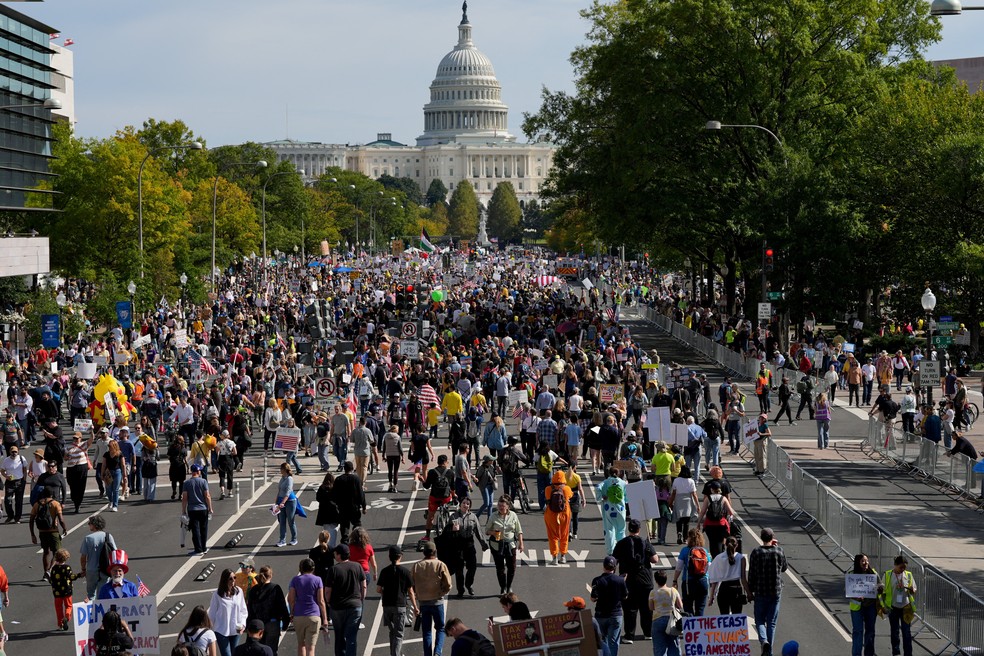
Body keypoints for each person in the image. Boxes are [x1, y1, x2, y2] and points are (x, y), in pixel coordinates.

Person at [612, 519, 659, 643]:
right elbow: (655, 560)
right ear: (639, 529)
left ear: (629, 529)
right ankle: (648, 633)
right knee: (646, 608)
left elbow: (614, 561)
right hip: (645, 579)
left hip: (628, 580)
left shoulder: (621, 543)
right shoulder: (645, 543)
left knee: (629, 609)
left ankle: (629, 635)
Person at [748, 528, 788, 656]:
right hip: (775, 590)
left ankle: (764, 641)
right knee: (771, 622)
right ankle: (768, 651)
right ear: (772, 537)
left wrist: (750, 590)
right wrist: (776, 547)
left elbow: (752, 573)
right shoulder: (779, 551)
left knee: (759, 620)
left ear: (761, 537)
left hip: (761, 590)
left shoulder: (756, 552)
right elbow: (784, 568)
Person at [411, 541, 453, 656]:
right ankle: (437, 652)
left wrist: (417, 593)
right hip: (437, 601)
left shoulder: (416, 566)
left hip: (423, 603)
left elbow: (411, 584)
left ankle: (428, 654)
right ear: (435, 552)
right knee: (440, 628)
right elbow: (448, 584)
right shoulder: (440, 564)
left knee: (427, 631)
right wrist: (442, 592)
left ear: (424, 552)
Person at [376, 545, 418, 656]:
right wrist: (415, 607)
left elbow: (378, 589)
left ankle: (394, 653)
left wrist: (385, 593)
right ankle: (396, 654)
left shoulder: (384, 571)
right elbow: (410, 591)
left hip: (387, 606)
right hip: (400, 605)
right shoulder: (405, 572)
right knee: (399, 634)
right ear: (400, 556)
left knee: (392, 632)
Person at [325, 546, 365, 656]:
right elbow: (363, 586)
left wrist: (328, 602)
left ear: (339, 555)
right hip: (355, 606)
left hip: (337, 607)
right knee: (351, 637)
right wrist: (361, 599)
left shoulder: (334, 569)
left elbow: (328, 590)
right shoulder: (357, 566)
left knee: (339, 635)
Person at [446, 497, 488, 597]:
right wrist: (452, 529)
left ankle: (469, 584)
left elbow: (478, 531)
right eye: (464, 503)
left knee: (472, 567)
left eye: (468, 504)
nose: (466, 505)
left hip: (469, 545)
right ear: (460, 504)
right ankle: (460, 590)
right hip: (458, 545)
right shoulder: (454, 516)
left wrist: (484, 545)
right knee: (459, 570)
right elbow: (446, 532)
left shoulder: (473, 517)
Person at [246, 566, 291, 656]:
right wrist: (286, 622)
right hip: (272, 623)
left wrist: (248, 625)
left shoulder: (253, 590)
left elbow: (250, 609)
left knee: (257, 650)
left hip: (257, 624)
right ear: (270, 575)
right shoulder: (275, 588)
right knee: (271, 650)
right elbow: (282, 606)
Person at [485, 495, 524, 594]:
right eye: (499, 505)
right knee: (500, 568)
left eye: (503, 506)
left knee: (512, 567)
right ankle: (503, 587)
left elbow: (518, 530)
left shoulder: (513, 515)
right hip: (496, 544)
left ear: (507, 506)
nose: (501, 507)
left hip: (510, 544)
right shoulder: (493, 516)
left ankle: (509, 586)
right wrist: (493, 532)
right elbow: (487, 530)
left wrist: (521, 543)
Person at [591, 555, 628, 656]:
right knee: (614, 641)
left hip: (600, 615)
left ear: (603, 566)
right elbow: (625, 596)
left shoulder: (597, 580)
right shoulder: (620, 580)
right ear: (615, 567)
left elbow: (593, 598)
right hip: (616, 615)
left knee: (602, 641)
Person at [881, 555, 916, 656]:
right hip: (893, 608)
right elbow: (882, 590)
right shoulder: (888, 575)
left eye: (905, 567)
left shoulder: (908, 575)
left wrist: (912, 590)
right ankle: (896, 652)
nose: (903, 569)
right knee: (895, 632)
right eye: (901, 567)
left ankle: (908, 653)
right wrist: (882, 606)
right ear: (895, 565)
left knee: (906, 632)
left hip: (906, 607)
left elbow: (914, 588)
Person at [30, 486, 67, 579]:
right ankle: (50, 570)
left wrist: (32, 534)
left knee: (46, 552)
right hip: (53, 531)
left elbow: (31, 520)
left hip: (42, 532)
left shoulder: (37, 504)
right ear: (52, 494)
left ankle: (45, 574)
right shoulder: (55, 504)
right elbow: (61, 519)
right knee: (57, 552)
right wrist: (65, 529)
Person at [209, 569, 249, 656]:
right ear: (225, 580)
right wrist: (209, 630)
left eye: (234, 577)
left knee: (234, 654)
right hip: (221, 631)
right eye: (230, 578)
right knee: (227, 654)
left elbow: (243, 610)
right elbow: (212, 613)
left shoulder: (239, 592)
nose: (233, 580)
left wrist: (243, 625)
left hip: (236, 630)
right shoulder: (217, 595)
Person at [708, 537, 750, 616]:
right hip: (736, 589)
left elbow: (714, 579)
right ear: (737, 545)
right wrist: (749, 593)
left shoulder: (719, 557)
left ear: (725, 544)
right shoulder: (741, 558)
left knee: (724, 618)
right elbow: (743, 579)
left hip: (723, 589)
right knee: (736, 617)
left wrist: (711, 596)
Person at [850, 553, 881, 656]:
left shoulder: (873, 574)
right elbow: (847, 591)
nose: (865, 563)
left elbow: (881, 586)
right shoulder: (852, 574)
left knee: (870, 632)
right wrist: (856, 597)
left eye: (867, 561)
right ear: (858, 563)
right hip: (857, 607)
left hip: (871, 607)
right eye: (863, 561)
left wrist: (880, 588)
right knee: (858, 631)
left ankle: (869, 654)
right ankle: (856, 654)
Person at [79, 514, 117, 600]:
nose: (89, 525)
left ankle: (92, 610)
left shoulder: (88, 538)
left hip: (91, 570)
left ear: (94, 524)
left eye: (89, 523)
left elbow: (83, 557)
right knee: (103, 592)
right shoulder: (108, 536)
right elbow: (114, 552)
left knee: (91, 594)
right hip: (105, 569)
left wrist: (83, 569)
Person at [673, 528, 709, 617]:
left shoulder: (685, 551)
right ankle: (699, 629)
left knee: (688, 606)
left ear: (689, 538)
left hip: (689, 582)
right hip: (703, 582)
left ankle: (691, 627)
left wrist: (675, 580)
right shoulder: (704, 551)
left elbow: (679, 567)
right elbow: (709, 567)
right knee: (700, 608)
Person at [695, 480, 734, 558]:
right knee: (719, 541)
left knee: (712, 542)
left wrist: (698, 523)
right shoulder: (723, 498)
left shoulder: (708, 498)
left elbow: (702, 512)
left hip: (709, 524)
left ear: (711, 489)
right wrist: (729, 521)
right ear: (719, 489)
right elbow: (731, 512)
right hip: (721, 524)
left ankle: (714, 558)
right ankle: (720, 556)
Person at [649, 570, 683, 656]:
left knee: (659, 648)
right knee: (674, 645)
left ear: (656, 581)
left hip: (657, 620)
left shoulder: (653, 592)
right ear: (666, 579)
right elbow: (680, 605)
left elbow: (651, 607)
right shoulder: (673, 590)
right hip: (671, 620)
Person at [420, 454, 455, 540]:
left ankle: (427, 536)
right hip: (446, 498)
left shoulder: (432, 472)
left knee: (430, 515)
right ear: (445, 462)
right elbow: (453, 487)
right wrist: (454, 496)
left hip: (434, 497)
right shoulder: (450, 472)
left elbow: (427, 486)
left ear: (438, 462)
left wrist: (422, 480)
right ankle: (446, 513)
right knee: (449, 504)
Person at [182, 463, 214, 556]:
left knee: (195, 529)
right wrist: (210, 508)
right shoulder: (203, 481)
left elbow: (184, 498)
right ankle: (204, 548)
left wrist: (183, 511)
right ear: (198, 471)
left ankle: (198, 549)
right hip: (203, 508)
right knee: (204, 528)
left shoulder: (187, 483)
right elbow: (207, 496)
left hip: (192, 509)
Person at [543, 469, 573, 565]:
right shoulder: (566, 489)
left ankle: (554, 557)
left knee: (552, 536)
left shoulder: (548, 489)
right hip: (564, 514)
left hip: (551, 514)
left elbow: (547, 499)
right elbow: (571, 495)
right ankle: (563, 556)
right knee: (564, 535)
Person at [49, 547, 83, 631]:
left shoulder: (53, 569)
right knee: (68, 606)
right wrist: (79, 575)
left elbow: (51, 579)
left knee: (58, 608)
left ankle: (60, 624)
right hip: (67, 591)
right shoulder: (67, 568)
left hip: (57, 592)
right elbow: (71, 577)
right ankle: (67, 617)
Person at [333, 461, 367, 544]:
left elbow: (334, 494)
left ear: (344, 469)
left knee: (344, 526)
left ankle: (345, 541)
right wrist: (364, 506)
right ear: (352, 469)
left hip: (343, 508)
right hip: (354, 507)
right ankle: (358, 539)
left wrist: (337, 504)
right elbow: (361, 494)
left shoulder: (338, 479)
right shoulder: (356, 479)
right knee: (357, 524)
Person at [597, 467, 628, 555]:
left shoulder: (606, 482)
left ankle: (610, 551)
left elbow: (598, 488)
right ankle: (622, 550)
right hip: (620, 509)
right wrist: (625, 500)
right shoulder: (623, 483)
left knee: (609, 529)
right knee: (621, 530)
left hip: (608, 509)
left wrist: (602, 497)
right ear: (618, 474)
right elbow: (626, 496)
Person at [670, 466, 698, 545]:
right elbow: (694, 494)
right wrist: (697, 505)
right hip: (688, 501)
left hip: (678, 500)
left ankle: (679, 533)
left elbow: (673, 493)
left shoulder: (676, 480)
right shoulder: (691, 481)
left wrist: (670, 502)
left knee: (678, 519)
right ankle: (685, 538)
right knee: (686, 521)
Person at [64, 431, 91, 513]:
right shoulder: (68, 447)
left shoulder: (84, 444)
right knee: (71, 484)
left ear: (80, 438)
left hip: (82, 466)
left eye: (77, 438)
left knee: (81, 485)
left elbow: (92, 439)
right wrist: (66, 457)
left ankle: (77, 504)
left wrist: (92, 430)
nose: (75, 439)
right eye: (74, 438)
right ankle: (74, 497)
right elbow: (65, 458)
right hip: (71, 467)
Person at [274, 463, 299, 548]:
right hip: (281, 500)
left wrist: (283, 503)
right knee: (282, 521)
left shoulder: (289, 479)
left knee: (291, 521)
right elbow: (280, 490)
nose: (280, 470)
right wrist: (276, 501)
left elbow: (288, 492)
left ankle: (294, 539)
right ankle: (282, 540)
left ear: (284, 470)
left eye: (281, 469)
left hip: (290, 502)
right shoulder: (282, 478)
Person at [1, 444, 28, 523]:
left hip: (20, 481)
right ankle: (10, 516)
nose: (14, 453)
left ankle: (17, 518)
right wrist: (6, 476)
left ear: (18, 452)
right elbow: (2, 471)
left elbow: (25, 469)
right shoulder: (6, 460)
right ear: (9, 452)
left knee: (19, 501)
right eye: (12, 452)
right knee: (7, 500)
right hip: (10, 482)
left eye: (15, 452)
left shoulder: (22, 458)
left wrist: (24, 480)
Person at [102, 437, 128, 512]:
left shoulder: (120, 454)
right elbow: (103, 465)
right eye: (108, 446)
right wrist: (102, 474)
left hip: (117, 472)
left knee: (115, 489)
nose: (109, 447)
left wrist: (124, 475)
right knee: (108, 489)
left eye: (110, 446)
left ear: (114, 446)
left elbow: (123, 465)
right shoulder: (106, 454)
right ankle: (111, 500)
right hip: (108, 472)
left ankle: (115, 505)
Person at [381, 424, 404, 493]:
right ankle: (395, 487)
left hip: (389, 455)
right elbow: (400, 448)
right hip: (396, 455)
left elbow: (384, 447)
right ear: (396, 430)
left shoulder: (386, 436)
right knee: (396, 471)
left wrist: (383, 455)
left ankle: (390, 484)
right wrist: (402, 456)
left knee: (390, 470)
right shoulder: (398, 437)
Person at [566, 460, 585, 540]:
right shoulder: (577, 477)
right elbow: (580, 489)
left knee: (568, 516)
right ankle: (575, 533)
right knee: (575, 516)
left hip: (566, 496)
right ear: (574, 467)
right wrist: (584, 499)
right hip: (575, 496)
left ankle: (569, 532)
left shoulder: (564, 475)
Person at [216, 430, 238, 501]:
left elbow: (217, 451)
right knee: (230, 475)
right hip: (229, 459)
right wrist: (230, 453)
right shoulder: (232, 442)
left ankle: (222, 491)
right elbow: (235, 452)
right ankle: (230, 491)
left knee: (222, 475)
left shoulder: (219, 442)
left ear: (223, 435)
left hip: (222, 458)